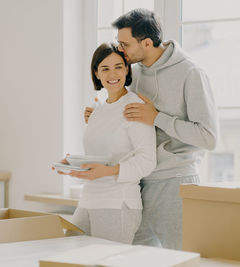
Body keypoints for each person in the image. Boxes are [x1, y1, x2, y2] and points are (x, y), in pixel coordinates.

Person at [84, 9, 218, 250]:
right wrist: (102, 116)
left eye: (124, 44)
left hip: (173, 181)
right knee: (133, 258)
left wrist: (157, 118)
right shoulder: (133, 72)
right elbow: (128, 117)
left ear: (146, 43)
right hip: (136, 183)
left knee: (177, 257)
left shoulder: (191, 73)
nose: (120, 50)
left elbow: (208, 138)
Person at [57, 42, 156, 244]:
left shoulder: (134, 106)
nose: (113, 74)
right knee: (67, 255)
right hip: (89, 199)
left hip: (118, 202)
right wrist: (74, 164)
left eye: (118, 67)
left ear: (127, 69)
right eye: (105, 68)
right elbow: (100, 155)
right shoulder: (98, 108)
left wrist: (107, 171)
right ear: (96, 73)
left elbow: (147, 161)